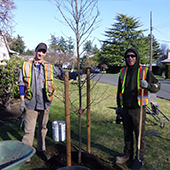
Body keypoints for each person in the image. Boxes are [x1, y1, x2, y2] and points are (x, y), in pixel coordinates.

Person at [18, 42, 78, 165]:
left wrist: (77, 73)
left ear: (45, 53)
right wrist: (22, 101)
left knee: (43, 128)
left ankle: (42, 149)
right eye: (39, 51)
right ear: (35, 50)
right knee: (29, 131)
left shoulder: (49, 67)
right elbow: (21, 84)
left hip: (45, 103)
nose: (41, 53)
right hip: (30, 104)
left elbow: (62, 74)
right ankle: (26, 155)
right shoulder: (26, 66)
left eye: (43, 52)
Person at [115, 47, 161, 166]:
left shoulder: (144, 71)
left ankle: (139, 159)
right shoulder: (123, 71)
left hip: (138, 109)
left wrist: (148, 85)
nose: (130, 58)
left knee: (140, 135)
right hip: (125, 108)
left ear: (137, 57)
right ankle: (127, 155)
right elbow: (119, 90)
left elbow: (157, 85)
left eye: (132, 56)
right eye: (128, 56)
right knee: (127, 134)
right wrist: (119, 106)